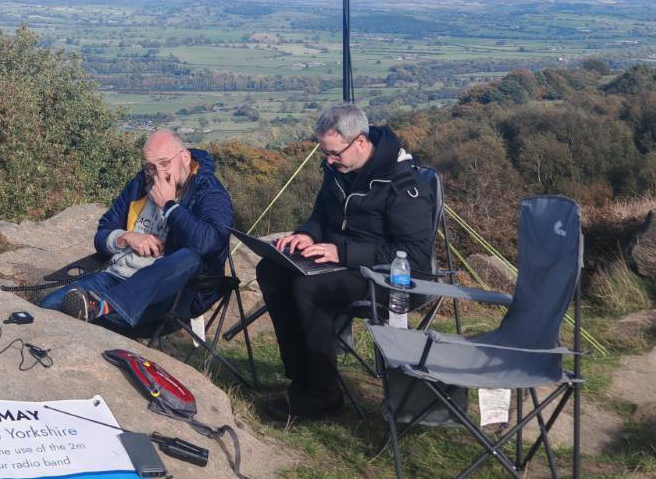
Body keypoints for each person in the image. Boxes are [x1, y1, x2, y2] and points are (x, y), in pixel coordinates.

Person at [256, 102, 433, 420]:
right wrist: (307, 234)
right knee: (271, 269)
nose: (328, 160)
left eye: (335, 152)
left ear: (361, 142)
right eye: (325, 152)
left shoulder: (403, 184)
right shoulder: (339, 169)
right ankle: (301, 379)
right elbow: (322, 214)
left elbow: (416, 256)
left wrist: (343, 253)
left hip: (392, 277)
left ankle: (324, 396)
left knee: (310, 288)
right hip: (347, 264)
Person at [43, 128, 233, 330]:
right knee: (49, 306)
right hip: (115, 277)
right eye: (152, 166)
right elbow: (104, 231)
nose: (159, 173)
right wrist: (125, 237)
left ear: (185, 157)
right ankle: (99, 306)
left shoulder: (209, 191)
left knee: (190, 257)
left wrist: (169, 206)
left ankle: (105, 306)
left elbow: (210, 243)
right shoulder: (141, 182)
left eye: (165, 163)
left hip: (167, 296)